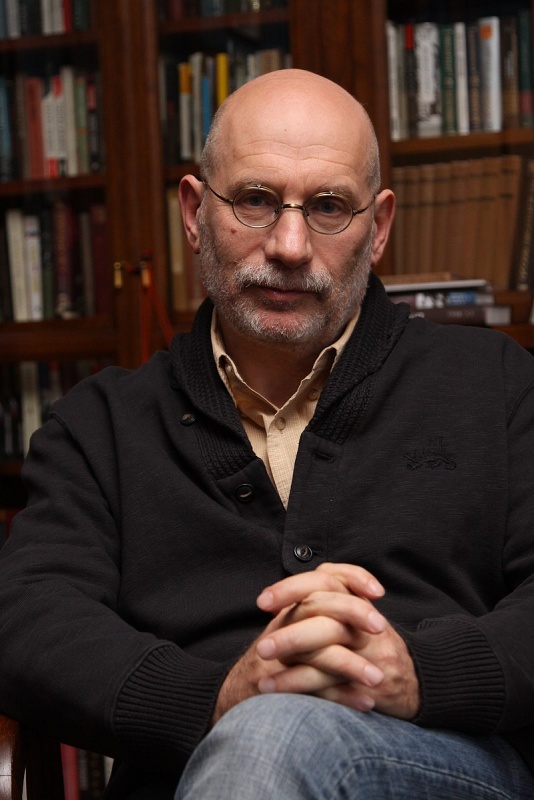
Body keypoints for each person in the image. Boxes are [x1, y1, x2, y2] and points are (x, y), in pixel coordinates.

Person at [1, 68, 534, 800]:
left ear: (378, 229)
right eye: (255, 200)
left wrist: (418, 674)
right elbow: (26, 621)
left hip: (440, 766)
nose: (288, 244)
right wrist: (217, 698)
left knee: (276, 735)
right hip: (196, 775)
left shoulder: (496, 384)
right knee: (264, 736)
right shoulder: (100, 425)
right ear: (194, 212)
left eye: (328, 207)